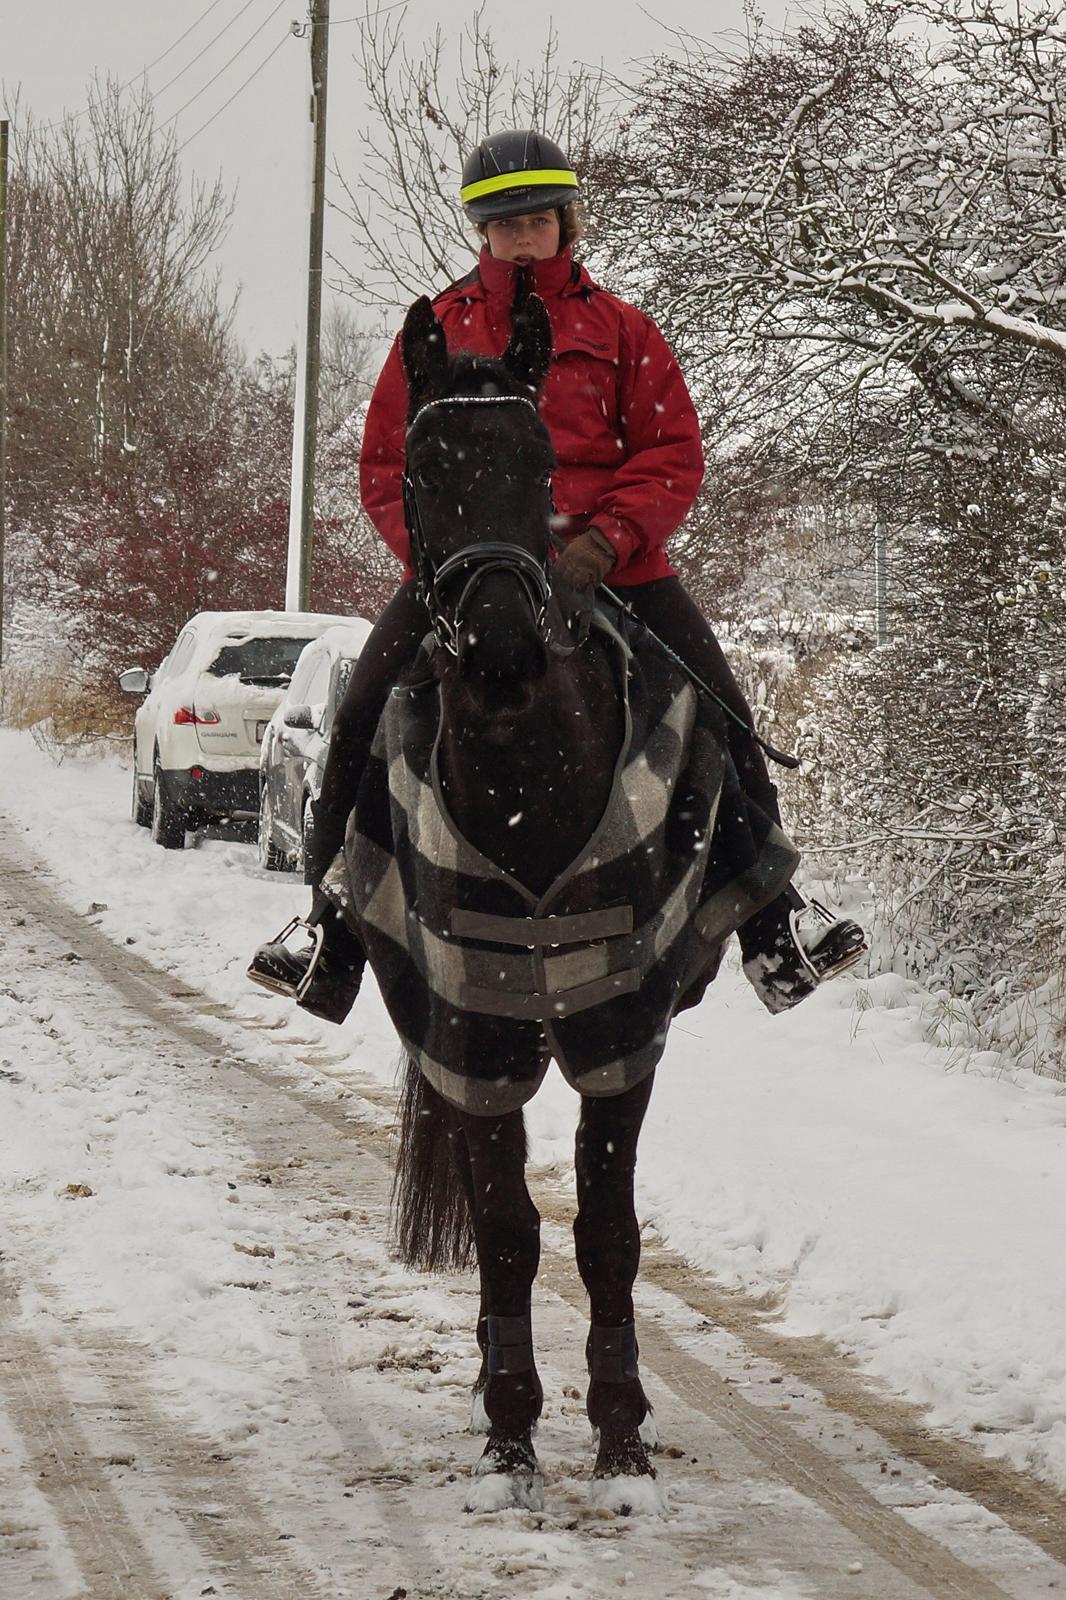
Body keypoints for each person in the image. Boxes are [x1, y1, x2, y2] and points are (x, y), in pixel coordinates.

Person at [248, 130, 864, 1019]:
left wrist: (606, 538)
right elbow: (387, 467)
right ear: (481, 232)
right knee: (361, 712)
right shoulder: (440, 329)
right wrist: (443, 563)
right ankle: (328, 930)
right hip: (468, 575)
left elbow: (672, 451)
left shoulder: (621, 329)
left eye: (538, 220)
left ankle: (776, 924)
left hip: (613, 569)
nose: (524, 238)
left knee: (725, 711)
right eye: (505, 225)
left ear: (566, 223)